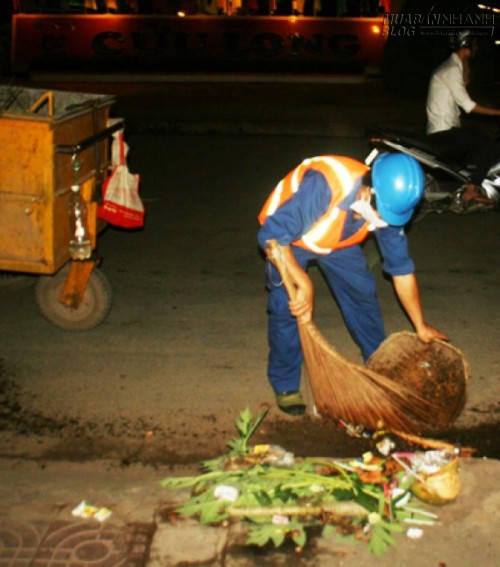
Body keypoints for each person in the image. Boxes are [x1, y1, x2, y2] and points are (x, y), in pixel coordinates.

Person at [257, 153, 448, 416]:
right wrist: (303, 283)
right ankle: (285, 384)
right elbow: (271, 236)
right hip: (287, 241)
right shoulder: (326, 184)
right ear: (368, 190)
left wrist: (420, 324)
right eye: (382, 213)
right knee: (287, 309)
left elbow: (402, 271)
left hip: (338, 243)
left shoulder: (389, 208)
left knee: (362, 297)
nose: (384, 221)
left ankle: (379, 366)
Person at [426, 29, 500, 210]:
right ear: (467, 45)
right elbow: (469, 106)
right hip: (443, 133)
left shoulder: (453, 65)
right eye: (474, 44)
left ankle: (473, 182)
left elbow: (464, 83)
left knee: (477, 137)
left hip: (446, 129)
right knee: (490, 145)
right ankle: (471, 190)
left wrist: (465, 57)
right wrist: (497, 112)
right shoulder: (451, 69)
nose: (477, 48)